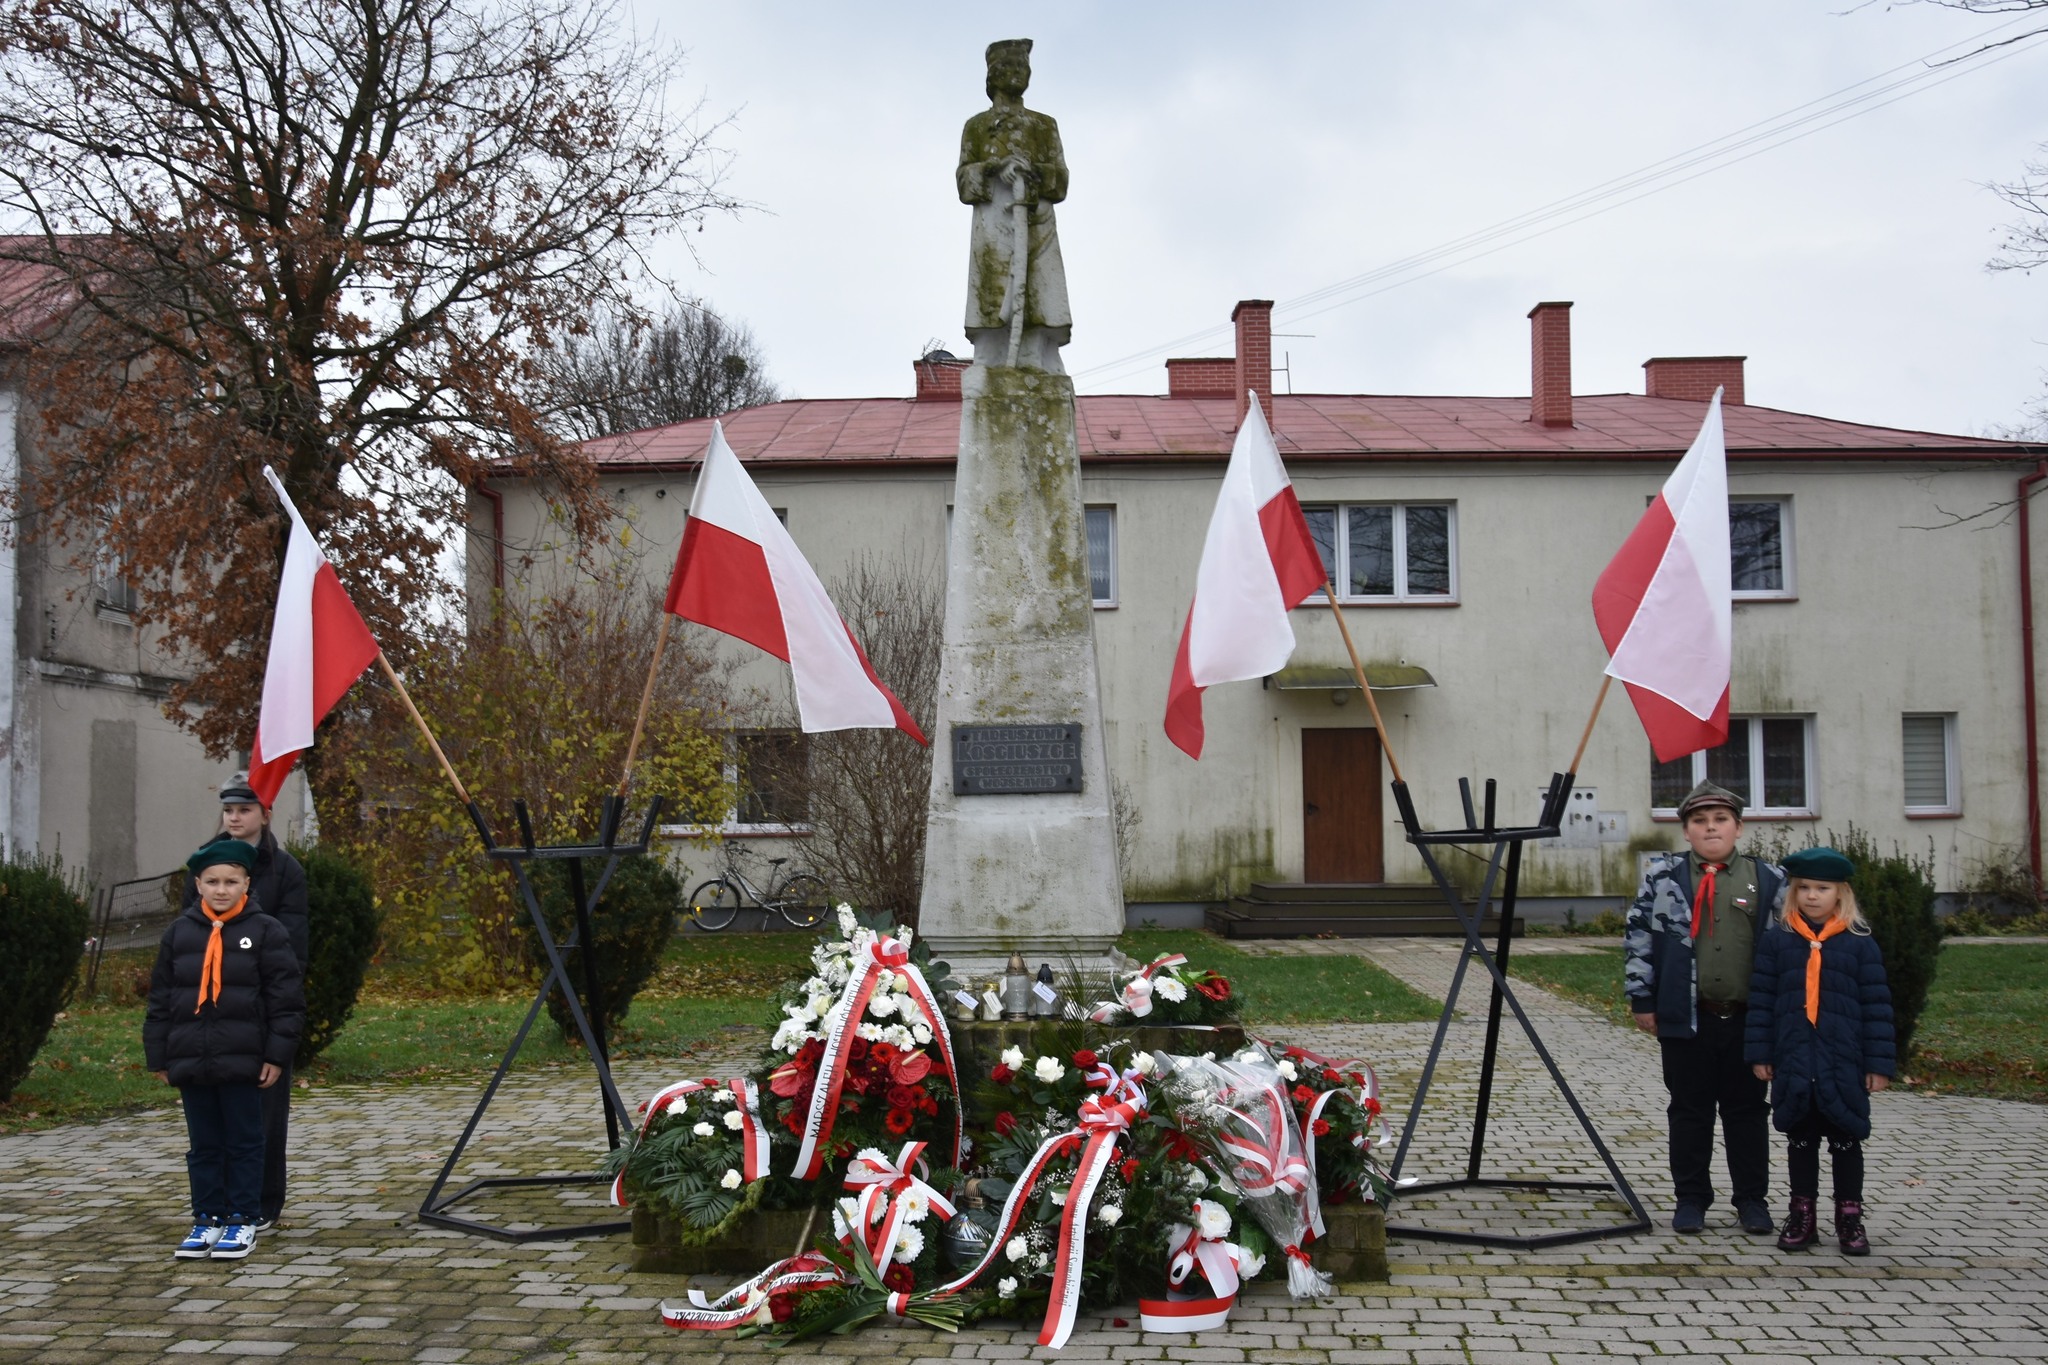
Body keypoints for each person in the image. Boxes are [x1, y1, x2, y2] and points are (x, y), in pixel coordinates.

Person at [1623, 780, 1786, 1234]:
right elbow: (1639, 938)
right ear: (1687, 831)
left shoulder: (1768, 879)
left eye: (1720, 820)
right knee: (1689, 1111)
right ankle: (1691, 1199)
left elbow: (1783, 949)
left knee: (1747, 1113)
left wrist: (1779, 1013)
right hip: (1686, 1018)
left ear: (1738, 827)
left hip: (1748, 1020)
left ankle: (1751, 1200)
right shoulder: (1663, 877)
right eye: (1699, 821)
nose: (1710, 828)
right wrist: (1642, 997)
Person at [145, 838, 305, 1260]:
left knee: (246, 1141)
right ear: (197, 884)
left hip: (245, 1059)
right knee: (204, 1143)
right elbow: (161, 998)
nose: (221, 889)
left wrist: (276, 1055)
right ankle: (208, 1216)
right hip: (193, 1058)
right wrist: (159, 1055)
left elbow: (285, 1001)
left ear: (246, 884)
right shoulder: (179, 933)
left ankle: (243, 1218)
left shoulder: (266, 931)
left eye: (231, 881)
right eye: (212, 881)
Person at [1744, 847, 1895, 1255]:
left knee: (1846, 1139)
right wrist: (1762, 1054)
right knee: (1801, 1140)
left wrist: (1878, 1064)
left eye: (1822, 888)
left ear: (1840, 893)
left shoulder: (1860, 945)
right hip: (1794, 1059)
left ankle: (1849, 1218)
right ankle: (1802, 1215)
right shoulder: (1779, 943)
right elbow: (1762, 1002)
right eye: (1804, 887)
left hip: (1843, 1062)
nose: (1812, 895)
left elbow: (1877, 1008)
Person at [183, 775, 309, 1231]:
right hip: (211, 1011)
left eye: (244, 810)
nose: (234, 818)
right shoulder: (206, 861)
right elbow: (186, 937)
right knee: (211, 1122)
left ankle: (262, 1204)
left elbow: (292, 949)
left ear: (265, 814)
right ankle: (216, 1206)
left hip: (259, 1011)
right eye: (228, 810)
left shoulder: (286, 870)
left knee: (263, 1115)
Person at [957, 37, 1071, 372]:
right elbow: (964, 180)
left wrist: (1032, 172)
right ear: (992, 76)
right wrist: (994, 168)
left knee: (1038, 284)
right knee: (991, 284)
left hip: (1036, 220)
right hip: (993, 221)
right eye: (1010, 66)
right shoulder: (976, 127)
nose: (1018, 72)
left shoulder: (1043, 125)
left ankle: (1036, 356)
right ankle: (990, 358)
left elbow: (1061, 180)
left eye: (1023, 66)